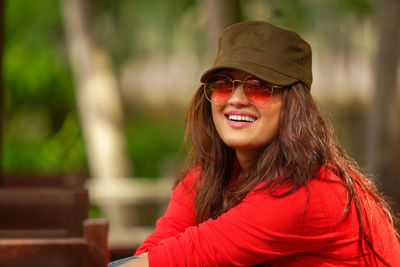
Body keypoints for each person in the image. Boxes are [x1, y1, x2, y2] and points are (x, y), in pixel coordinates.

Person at [111, 21, 400, 267]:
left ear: (292, 106)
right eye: (223, 84)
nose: (236, 99)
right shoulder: (210, 174)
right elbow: (154, 254)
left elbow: (182, 256)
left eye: (259, 86)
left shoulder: (311, 192)